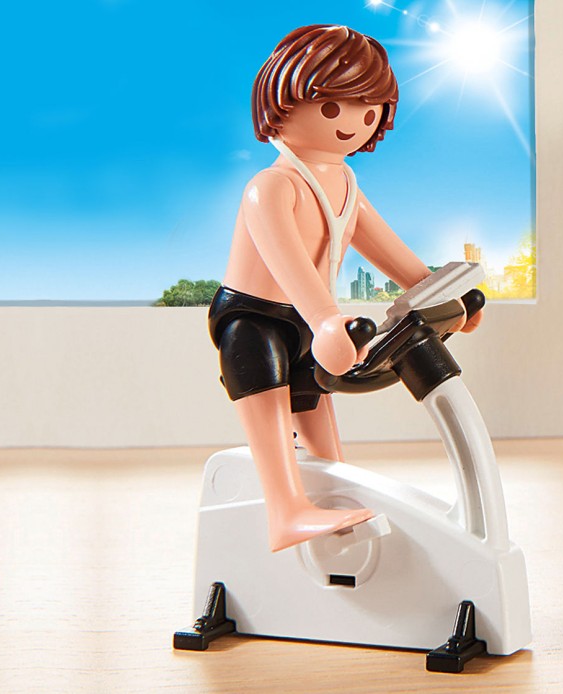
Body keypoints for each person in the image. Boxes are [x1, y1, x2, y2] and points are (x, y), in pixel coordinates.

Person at [208, 25, 481, 552]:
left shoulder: (346, 185)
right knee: (270, 397)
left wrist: (438, 292)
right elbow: (286, 260)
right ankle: (285, 511)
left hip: (310, 319)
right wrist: (325, 320)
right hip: (254, 317)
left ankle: (335, 495)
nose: (352, 124)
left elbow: (388, 249)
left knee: (315, 408)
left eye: (368, 111)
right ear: (282, 100)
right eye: (332, 108)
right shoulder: (271, 186)